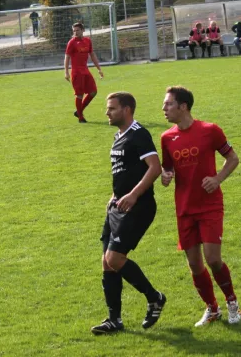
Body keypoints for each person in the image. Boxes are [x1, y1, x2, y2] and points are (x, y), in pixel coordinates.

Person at [160, 86, 241, 327]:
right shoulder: (167, 137)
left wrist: (217, 179)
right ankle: (212, 309)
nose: (164, 109)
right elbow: (168, 168)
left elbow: (233, 158)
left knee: (213, 258)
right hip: (184, 208)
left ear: (183, 107)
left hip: (209, 206)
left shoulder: (209, 130)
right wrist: (166, 176)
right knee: (195, 264)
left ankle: (232, 301)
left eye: (168, 104)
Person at [92, 92, 166, 335]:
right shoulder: (119, 136)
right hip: (118, 205)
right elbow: (124, 171)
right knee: (106, 262)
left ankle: (154, 297)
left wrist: (133, 195)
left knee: (114, 259)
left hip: (138, 206)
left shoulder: (139, 134)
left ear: (126, 110)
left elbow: (155, 168)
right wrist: (114, 196)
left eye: (112, 108)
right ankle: (114, 320)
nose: (107, 112)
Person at [64, 22, 103, 123]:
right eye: (74, 31)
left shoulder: (87, 41)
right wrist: (66, 72)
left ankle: (79, 111)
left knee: (93, 92)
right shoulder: (72, 42)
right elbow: (67, 57)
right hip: (76, 72)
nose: (75, 32)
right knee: (79, 95)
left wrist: (99, 68)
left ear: (82, 30)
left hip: (85, 71)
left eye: (77, 30)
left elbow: (92, 54)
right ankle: (81, 117)